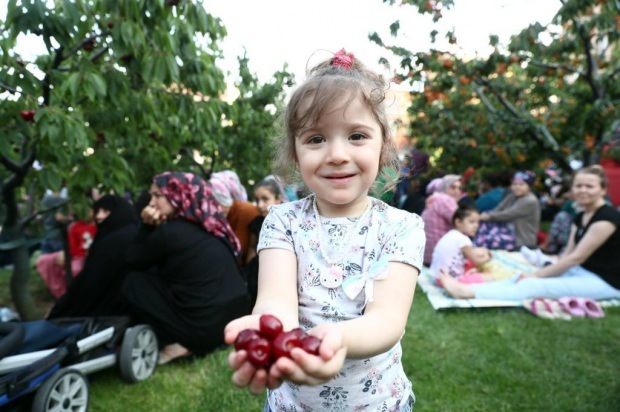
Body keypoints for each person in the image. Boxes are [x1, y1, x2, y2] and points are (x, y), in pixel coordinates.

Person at [224, 49, 425, 411]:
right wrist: (272, 333)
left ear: (383, 147)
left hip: (376, 403)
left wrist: (334, 340)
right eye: (316, 139)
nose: (336, 154)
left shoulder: (401, 227)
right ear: (296, 154)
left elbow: (387, 319)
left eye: (357, 136)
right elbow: (275, 300)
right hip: (293, 403)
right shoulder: (282, 221)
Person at [122, 171, 252, 365]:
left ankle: (182, 343)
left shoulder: (170, 232)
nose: (151, 203)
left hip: (205, 330)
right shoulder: (211, 225)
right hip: (234, 322)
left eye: (158, 195)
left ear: (179, 196)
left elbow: (131, 259)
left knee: (133, 282)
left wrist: (146, 227)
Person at [439, 165, 620, 302]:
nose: (583, 190)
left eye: (589, 186)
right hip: (579, 271)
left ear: (602, 190)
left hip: (606, 281)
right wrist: (541, 270)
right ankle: (463, 285)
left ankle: (466, 292)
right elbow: (568, 255)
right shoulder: (581, 215)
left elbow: (576, 258)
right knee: (521, 276)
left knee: (533, 284)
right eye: (579, 185)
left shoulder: (606, 218)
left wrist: (538, 275)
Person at [47, 195, 139, 318]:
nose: (99, 216)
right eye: (97, 211)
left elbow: (93, 280)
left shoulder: (113, 241)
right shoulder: (130, 232)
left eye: (105, 212)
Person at [35, 204, 97, 298]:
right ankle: (61, 293)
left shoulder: (103, 226)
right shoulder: (75, 226)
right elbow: (71, 247)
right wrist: (65, 254)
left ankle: (79, 296)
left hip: (89, 258)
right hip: (75, 256)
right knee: (44, 261)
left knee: (75, 270)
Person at [474, 170, 540, 250]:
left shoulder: (530, 200)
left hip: (523, 241)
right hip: (510, 237)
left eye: (521, 184)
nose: (517, 187)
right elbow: (498, 209)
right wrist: (486, 215)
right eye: (515, 184)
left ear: (529, 186)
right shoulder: (513, 196)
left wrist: (487, 216)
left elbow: (508, 214)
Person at [246, 177, 287, 306]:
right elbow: (252, 248)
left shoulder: (287, 222)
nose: (260, 205)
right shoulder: (256, 222)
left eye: (265, 199)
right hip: (257, 272)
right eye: (257, 200)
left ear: (278, 199)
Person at [430, 205, 492, 284]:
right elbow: (477, 261)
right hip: (450, 280)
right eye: (471, 222)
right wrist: (489, 256)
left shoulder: (451, 234)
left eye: (478, 222)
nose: (476, 226)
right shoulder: (463, 239)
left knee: (471, 261)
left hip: (438, 278)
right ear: (458, 222)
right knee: (491, 277)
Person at [209, 170, 261, 265]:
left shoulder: (246, 210)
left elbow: (237, 252)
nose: (216, 207)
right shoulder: (220, 214)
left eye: (221, 200)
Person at [421, 174, 462, 265]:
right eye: (453, 187)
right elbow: (461, 223)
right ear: (445, 186)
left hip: (427, 254)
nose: (457, 191)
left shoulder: (435, 198)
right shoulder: (446, 200)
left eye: (459, 188)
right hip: (439, 256)